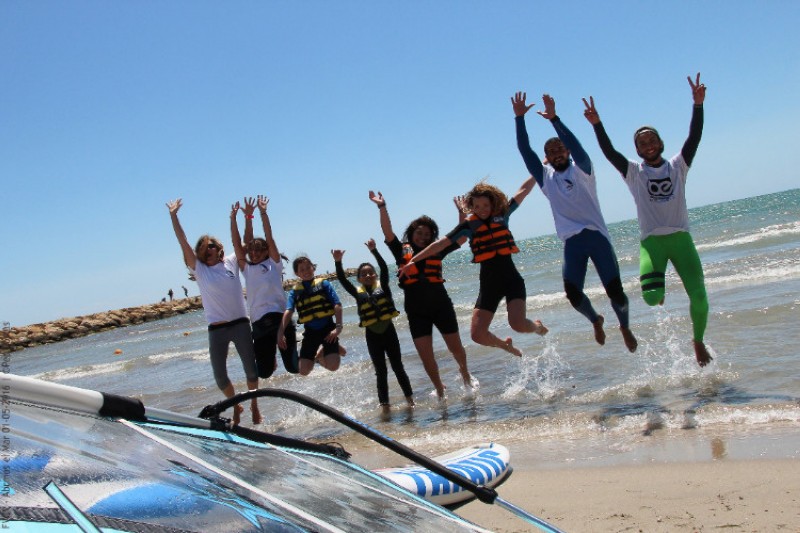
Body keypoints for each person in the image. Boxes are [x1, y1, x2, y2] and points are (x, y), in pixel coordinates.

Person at [583, 73, 711, 366]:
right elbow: (609, 152)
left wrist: (698, 105)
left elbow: (694, 138)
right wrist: (597, 125)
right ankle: (660, 288)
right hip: (652, 243)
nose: (649, 144)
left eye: (652, 139)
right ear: (638, 150)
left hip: (681, 239)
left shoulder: (679, 166)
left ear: (661, 142)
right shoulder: (634, 173)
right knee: (652, 298)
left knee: (700, 297)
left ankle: (698, 341)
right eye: (643, 143)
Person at [513, 92, 638, 353]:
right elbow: (526, 151)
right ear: (547, 157)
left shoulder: (583, 169)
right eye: (551, 152)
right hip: (572, 242)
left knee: (615, 292)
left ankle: (624, 325)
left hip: (597, 237)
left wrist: (555, 119)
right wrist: (519, 119)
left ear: (567, 152)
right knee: (572, 294)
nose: (556, 154)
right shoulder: (546, 178)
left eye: (560, 149)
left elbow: (578, 148)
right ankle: (596, 319)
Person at [399, 180, 548, 357]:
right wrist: (413, 261)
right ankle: (504, 345)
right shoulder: (468, 226)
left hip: (511, 280)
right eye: (477, 206)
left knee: (518, 324)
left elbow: (523, 191)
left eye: (485, 205)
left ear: (492, 203)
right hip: (489, 285)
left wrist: (538, 170)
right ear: (471, 207)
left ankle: (537, 327)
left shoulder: (503, 214)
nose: (482, 209)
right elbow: (440, 244)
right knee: (477, 335)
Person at [369, 191, 474, 398]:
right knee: (426, 356)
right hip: (417, 312)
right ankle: (439, 388)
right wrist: (382, 207)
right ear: (411, 233)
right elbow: (387, 231)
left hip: (441, 306)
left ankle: (465, 375)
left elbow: (461, 237)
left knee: (456, 349)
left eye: (428, 235)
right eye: (419, 233)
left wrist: (462, 213)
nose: (423, 237)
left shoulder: (437, 249)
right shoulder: (401, 250)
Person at [166, 198, 261, 425]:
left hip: (240, 324)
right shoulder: (199, 270)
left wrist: (244, 217)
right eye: (204, 248)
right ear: (199, 254)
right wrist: (174, 216)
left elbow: (245, 243)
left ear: (219, 249)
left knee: (251, 372)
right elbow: (182, 241)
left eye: (212, 246)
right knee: (220, 377)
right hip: (217, 329)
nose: (209, 250)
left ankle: (255, 406)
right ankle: (236, 404)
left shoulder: (230, 262)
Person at [333, 240, 414, 410]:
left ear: (375, 275)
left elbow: (384, 268)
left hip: (389, 332)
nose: (368, 276)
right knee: (381, 372)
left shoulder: (383, 286)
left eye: (371, 273)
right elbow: (341, 279)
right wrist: (338, 261)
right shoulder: (357, 293)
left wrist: (374, 251)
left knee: (398, 367)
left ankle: (410, 400)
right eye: (364, 274)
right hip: (372, 335)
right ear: (359, 279)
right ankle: (385, 405)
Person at [231, 196, 299, 379]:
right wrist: (233, 219)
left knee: (294, 367)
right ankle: (271, 359)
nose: (254, 253)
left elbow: (269, 236)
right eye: (251, 251)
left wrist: (263, 212)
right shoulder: (247, 268)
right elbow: (237, 244)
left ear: (267, 251)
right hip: (259, 324)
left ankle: (317, 354)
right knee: (264, 373)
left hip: (279, 320)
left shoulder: (274, 264)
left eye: (259, 250)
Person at [278, 256, 344, 375]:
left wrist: (338, 327)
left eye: (308, 267)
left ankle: (325, 352)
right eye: (302, 270)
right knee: (303, 371)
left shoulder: (324, 284)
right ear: (297, 273)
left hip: (328, 329)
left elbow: (337, 305)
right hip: (310, 332)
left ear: (313, 267)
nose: (306, 271)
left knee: (333, 366)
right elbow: (288, 312)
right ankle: (320, 357)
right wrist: (280, 332)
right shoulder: (295, 291)